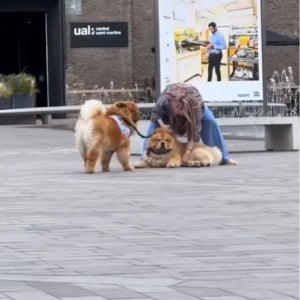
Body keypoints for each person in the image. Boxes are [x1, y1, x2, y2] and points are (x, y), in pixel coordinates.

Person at [141, 82, 237, 165]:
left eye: (181, 109)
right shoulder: (166, 99)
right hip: (167, 114)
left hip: (193, 112)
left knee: (210, 121)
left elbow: (194, 133)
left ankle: (225, 157)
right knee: (154, 126)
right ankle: (145, 157)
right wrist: (163, 126)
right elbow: (155, 114)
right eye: (177, 108)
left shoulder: (197, 106)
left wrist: (187, 154)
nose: (179, 111)